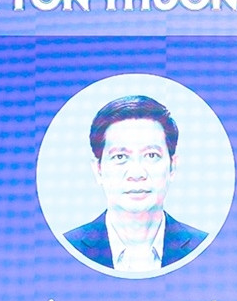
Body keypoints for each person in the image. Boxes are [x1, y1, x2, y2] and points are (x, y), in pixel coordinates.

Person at [64, 95, 208, 271]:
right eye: (120, 157)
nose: (137, 173)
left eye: (151, 155)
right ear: (98, 170)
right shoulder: (67, 250)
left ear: (172, 166)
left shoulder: (204, 248)